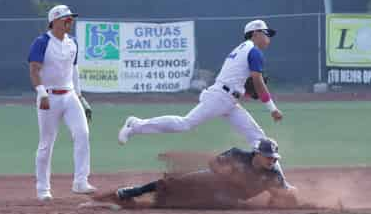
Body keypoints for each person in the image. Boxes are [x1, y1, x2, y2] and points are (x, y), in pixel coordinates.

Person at [118, 19, 290, 183]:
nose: (268, 38)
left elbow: (235, 80)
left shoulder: (241, 49)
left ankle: (281, 183)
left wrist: (243, 93)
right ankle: (136, 125)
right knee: (185, 124)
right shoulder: (253, 51)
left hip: (227, 100)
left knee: (259, 139)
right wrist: (272, 108)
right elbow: (258, 82)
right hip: (220, 97)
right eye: (266, 33)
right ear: (255, 33)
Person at [90, 138, 298, 209]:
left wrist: (283, 197)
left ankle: (167, 203)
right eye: (268, 156)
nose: (271, 161)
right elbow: (213, 162)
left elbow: (284, 193)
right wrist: (226, 174)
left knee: (222, 202)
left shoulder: (274, 176)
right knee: (175, 182)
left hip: (231, 197)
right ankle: (132, 192)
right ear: (257, 154)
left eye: (274, 158)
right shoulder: (238, 154)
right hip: (213, 179)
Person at [28, 5, 96, 201]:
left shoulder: (72, 42)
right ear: (55, 21)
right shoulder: (42, 42)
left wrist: (82, 98)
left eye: (71, 18)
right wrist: (41, 93)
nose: (70, 21)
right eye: (67, 18)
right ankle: (43, 189)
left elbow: (74, 71)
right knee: (46, 143)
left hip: (70, 95)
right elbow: (34, 69)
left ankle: (80, 182)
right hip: (49, 96)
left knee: (82, 133)